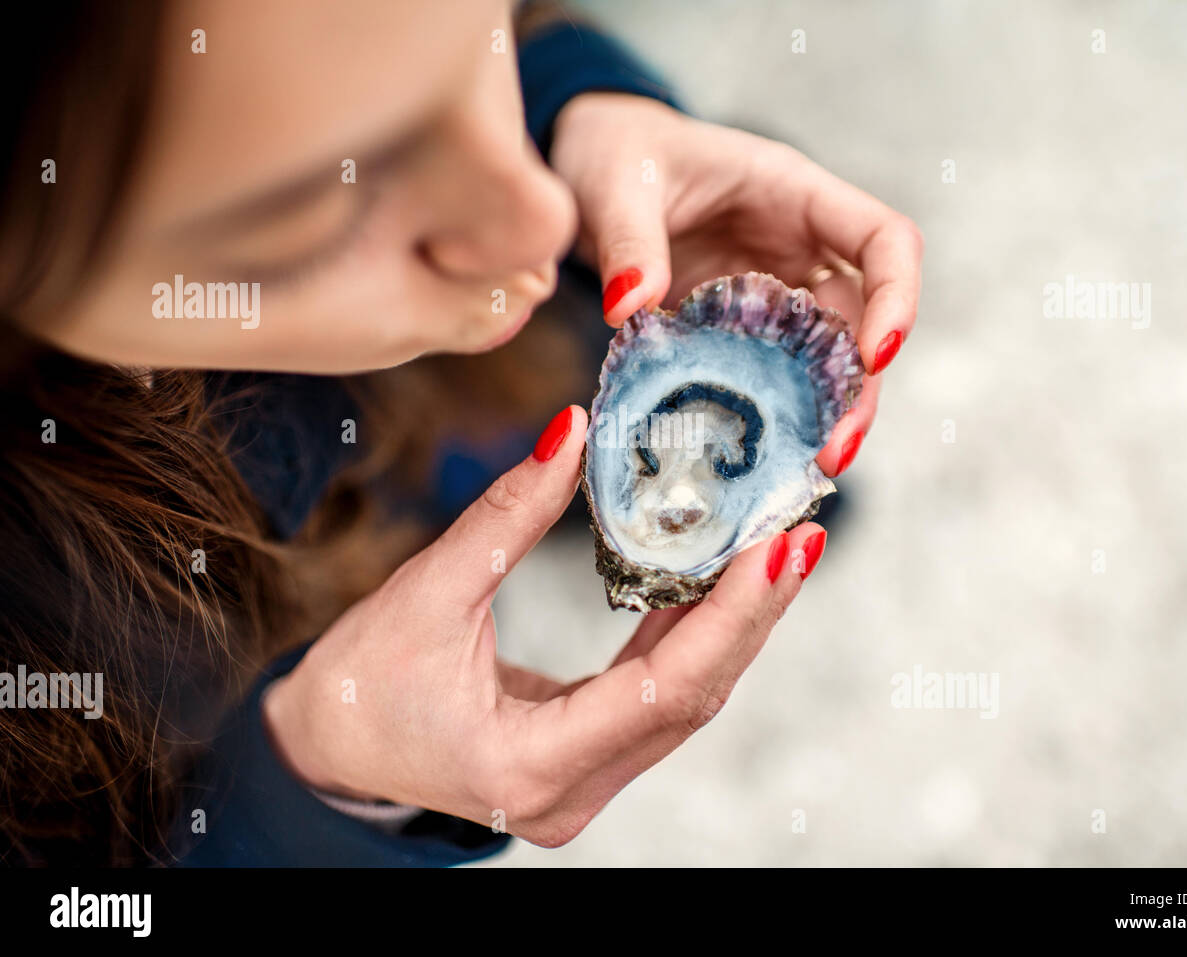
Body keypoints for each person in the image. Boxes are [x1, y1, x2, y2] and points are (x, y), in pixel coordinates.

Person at [0, 0, 923, 865]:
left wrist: (572, 105)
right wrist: (321, 783)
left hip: (487, 398)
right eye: (319, 210)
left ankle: (597, 491)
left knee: (557, 395)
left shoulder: (510, 222)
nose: (541, 216)